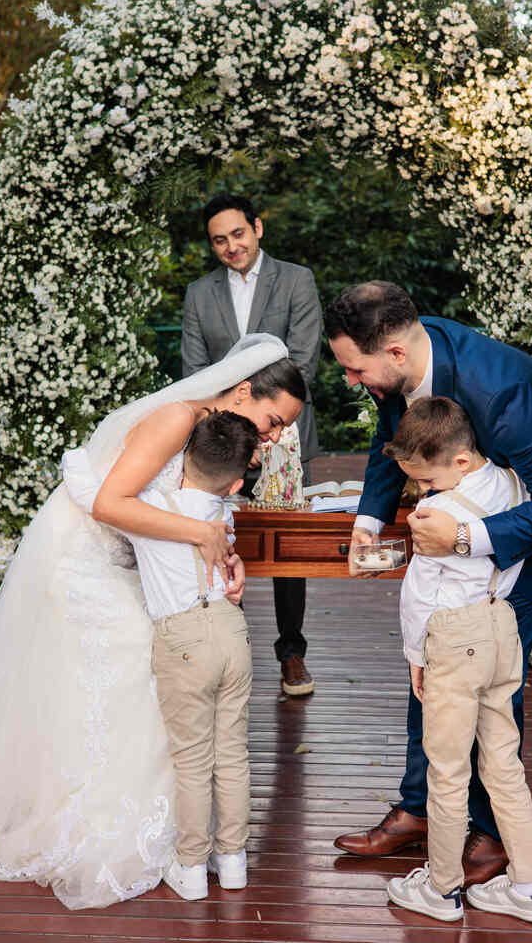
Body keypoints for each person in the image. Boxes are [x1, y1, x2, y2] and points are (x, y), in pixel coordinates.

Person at [0, 334, 304, 910]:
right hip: (85, 556)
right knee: (135, 664)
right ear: (245, 390)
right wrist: (203, 536)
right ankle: (99, 820)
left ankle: (178, 836)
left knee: (163, 664)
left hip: (138, 558)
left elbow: (194, 507)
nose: (273, 438)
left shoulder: (215, 434)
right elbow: (110, 504)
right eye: (273, 421)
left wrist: (226, 556)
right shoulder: (177, 418)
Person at [325, 282, 532, 885]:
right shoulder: (410, 359)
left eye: (355, 369)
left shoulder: (504, 389)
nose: (351, 381)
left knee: (486, 672)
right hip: (476, 513)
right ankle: (420, 810)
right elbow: (395, 441)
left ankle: (490, 833)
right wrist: (367, 520)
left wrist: (464, 541)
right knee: (435, 654)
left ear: (395, 352)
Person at [384, 396, 532, 923]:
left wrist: (416, 655)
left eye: (425, 480)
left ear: (459, 462)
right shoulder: (511, 484)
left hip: (453, 639)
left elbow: (417, 595)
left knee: (448, 768)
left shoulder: (437, 516)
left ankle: (441, 890)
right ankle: (528, 887)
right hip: (501, 627)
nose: (421, 492)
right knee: (504, 762)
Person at [182, 193, 322, 697]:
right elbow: (195, 370)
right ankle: (231, 645)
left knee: (286, 545)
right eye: (219, 240)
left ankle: (292, 654)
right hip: (222, 435)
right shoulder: (200, 294)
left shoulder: (297, 279)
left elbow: (303, 361)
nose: (230, 246)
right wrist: (229, 431)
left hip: (283, 432)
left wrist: (269, 427)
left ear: (257, 228)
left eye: (237, 234)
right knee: (222, 531)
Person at [125, 411, 259, 902]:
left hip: (183, 639)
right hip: (231, 629)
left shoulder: (151, 506)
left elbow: (83, 481)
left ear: (184, 456)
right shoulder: (222, 515)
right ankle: (234, 861)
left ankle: (191, 864)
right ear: (237, 482)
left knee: (192, 760)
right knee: (232, 754)